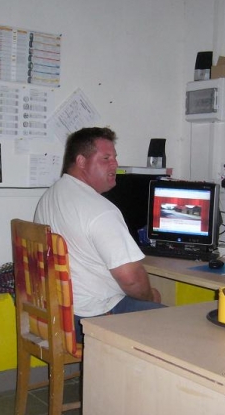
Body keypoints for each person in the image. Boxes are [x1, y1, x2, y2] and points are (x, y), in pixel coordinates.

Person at [34, 127, 164, 343]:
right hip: (90, 318)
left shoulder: (51, 196)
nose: (115, 164)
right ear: (81, 161)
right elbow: (131, 280)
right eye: (106, 158)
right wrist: (151, 297)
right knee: (176, 323)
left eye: (115, 158)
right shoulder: (101, 210)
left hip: (55, 315)